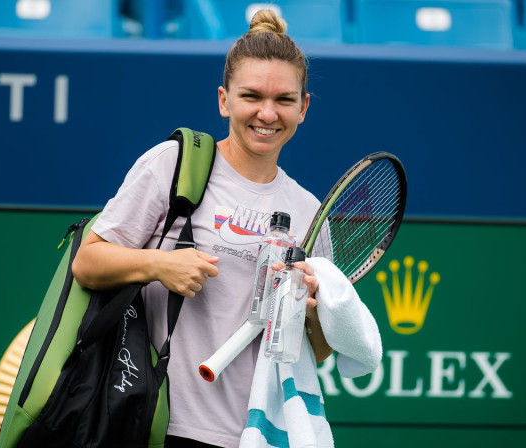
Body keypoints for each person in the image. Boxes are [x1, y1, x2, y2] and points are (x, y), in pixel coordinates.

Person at [73, 10, 336, 447]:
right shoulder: (173, 165)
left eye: (284, 100)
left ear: (303, 108)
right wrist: (159, 264)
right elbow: (87, 261)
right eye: (251, 95)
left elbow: (319, 352)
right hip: (160, 424)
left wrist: (308, 311)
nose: (267, 113)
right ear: (223, 100)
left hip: (259, 436)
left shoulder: (309, 212)